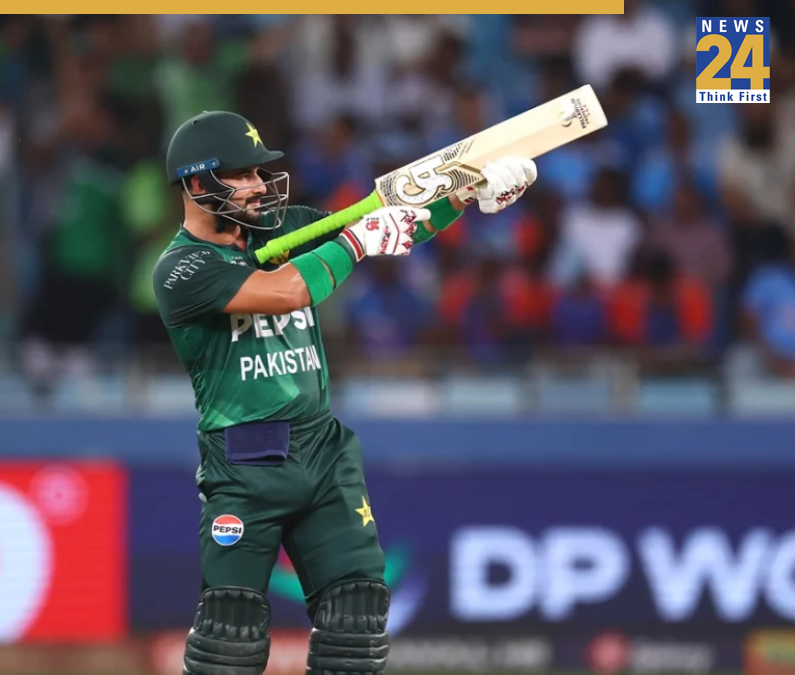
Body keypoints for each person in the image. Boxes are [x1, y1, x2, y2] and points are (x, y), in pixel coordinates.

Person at [151, 110, 536, 675]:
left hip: (323, 450)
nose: (260, 185)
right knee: (228, 637)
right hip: (244, 463)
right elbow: (286, 291)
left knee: (356, 620)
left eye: (261, 172)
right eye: (242, 174)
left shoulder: (288, 228)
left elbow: (395, 223)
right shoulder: (179, 269)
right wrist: (354, 244)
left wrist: (465, 197)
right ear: (195, 184)